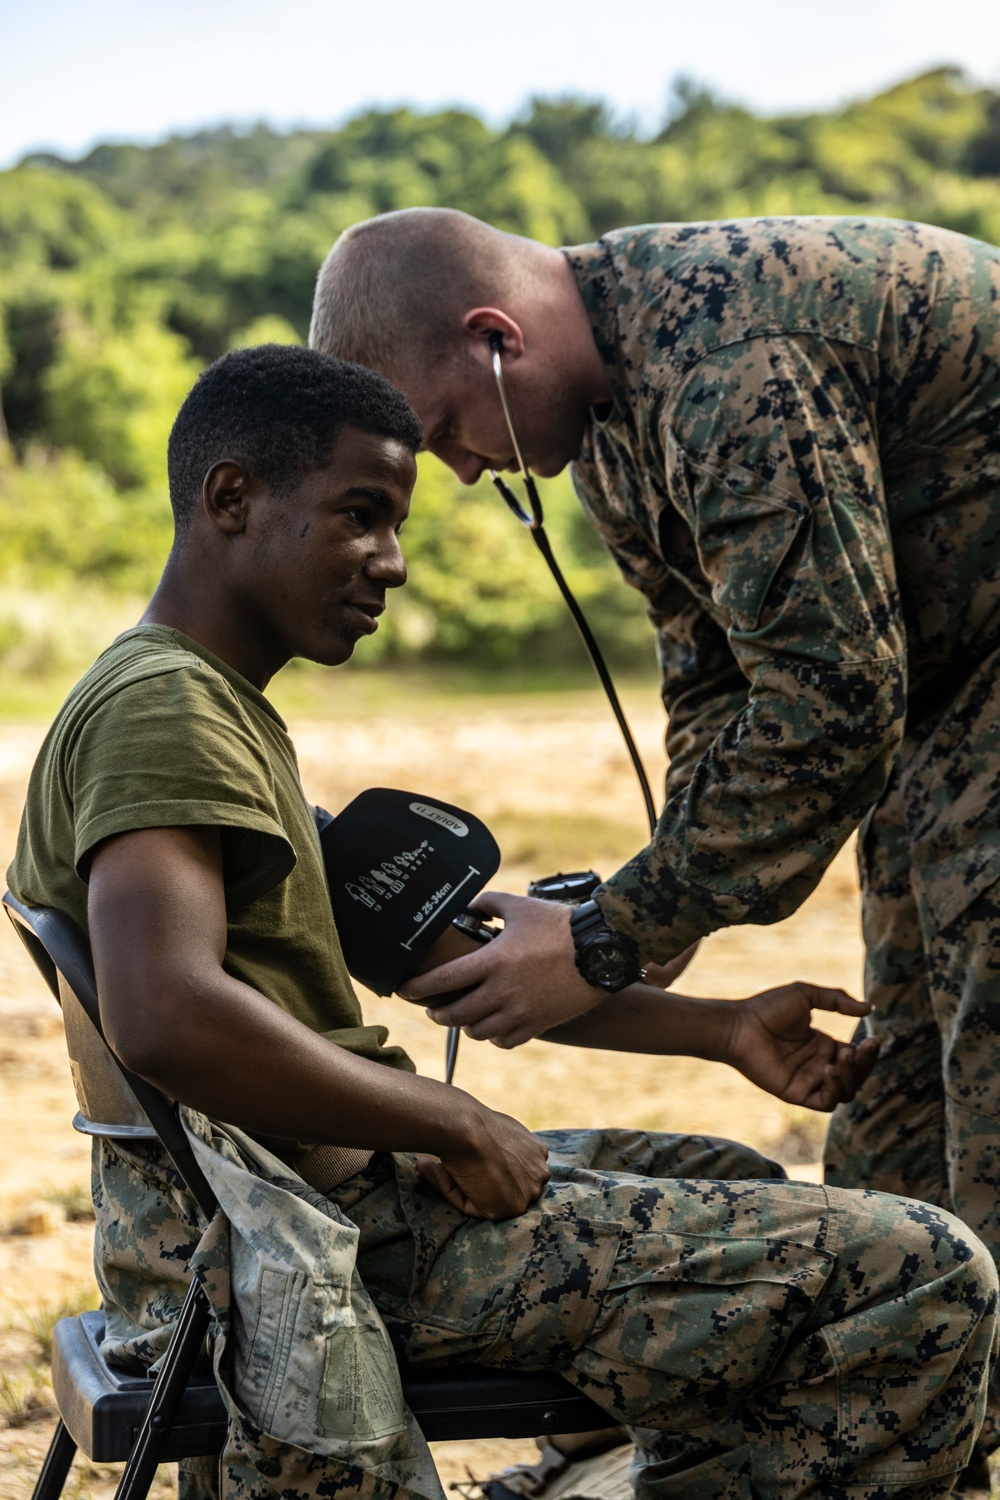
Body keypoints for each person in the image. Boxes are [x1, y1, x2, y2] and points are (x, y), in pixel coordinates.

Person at [7, 344, 998, 1500]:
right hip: (314, 1240)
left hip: (326, 1206)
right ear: (232, 500)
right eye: (360, 516)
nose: (395, 563)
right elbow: (167, 1012)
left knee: (733, 1176)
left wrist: (719, 1029)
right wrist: (452, 1122)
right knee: (925, 1272)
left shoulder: (203, 707)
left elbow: (452, 962)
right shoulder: (163, 712)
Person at [308, 207, 1000, 1312]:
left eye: (444, 432)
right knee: (904, 1056)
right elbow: (716, 675)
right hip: (946, 684)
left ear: (497, 339)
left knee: (990, 1023)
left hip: (961, 679)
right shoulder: (611, 432)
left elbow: (834, 702)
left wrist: (614, 932)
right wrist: (659, 905)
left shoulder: (726, 362)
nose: (464, 473)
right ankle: (923, 1399)